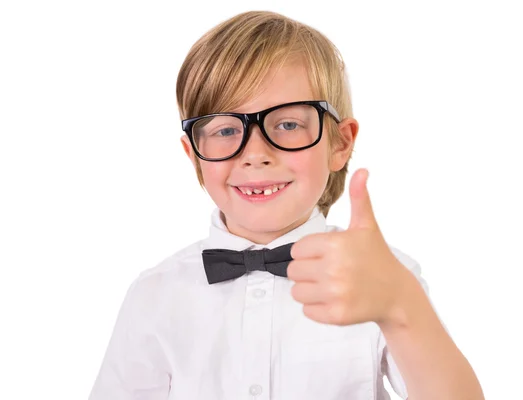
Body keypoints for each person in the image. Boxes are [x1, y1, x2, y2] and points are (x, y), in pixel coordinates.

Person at [89, 10, 484, 400]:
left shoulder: (380, 277)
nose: (255, 153)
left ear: (340, 143)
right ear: (194, 155)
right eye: (226, 130)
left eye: (288, 124)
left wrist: (401, 305)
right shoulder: (156, 294)